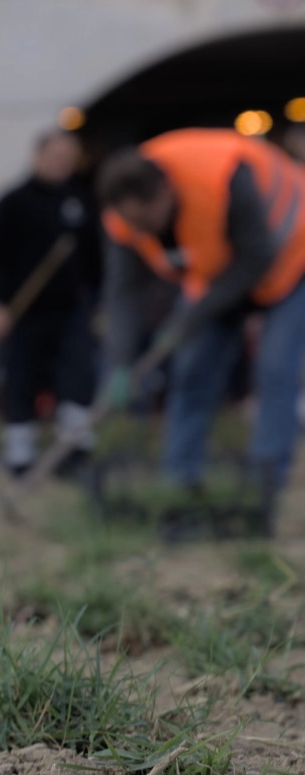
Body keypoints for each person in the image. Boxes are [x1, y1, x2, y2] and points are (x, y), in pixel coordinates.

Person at [97, 129, 305, 521]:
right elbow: (122, 294)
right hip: (215, 275)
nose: (142, 231)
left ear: (164, 192)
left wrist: (190, 318)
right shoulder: (123, 218)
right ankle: (179, 483)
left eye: (146, 219)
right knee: (191, 372)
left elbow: (255, 258)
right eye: (132, 222)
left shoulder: (225, 177)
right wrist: (120, 363)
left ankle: (264, 487)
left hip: (291, 259)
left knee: (275, 370)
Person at [0, 129, 100, 475]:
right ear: (38, 155)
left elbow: (96, 260)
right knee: (21, 381)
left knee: (77, 380)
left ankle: (74, 455)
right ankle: (20, 458)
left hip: (71, 311)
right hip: (24, 311)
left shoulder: (81, 201)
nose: (60, 163)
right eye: (55, 155)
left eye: (68, 157)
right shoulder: (12, 202)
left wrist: (97, 302)